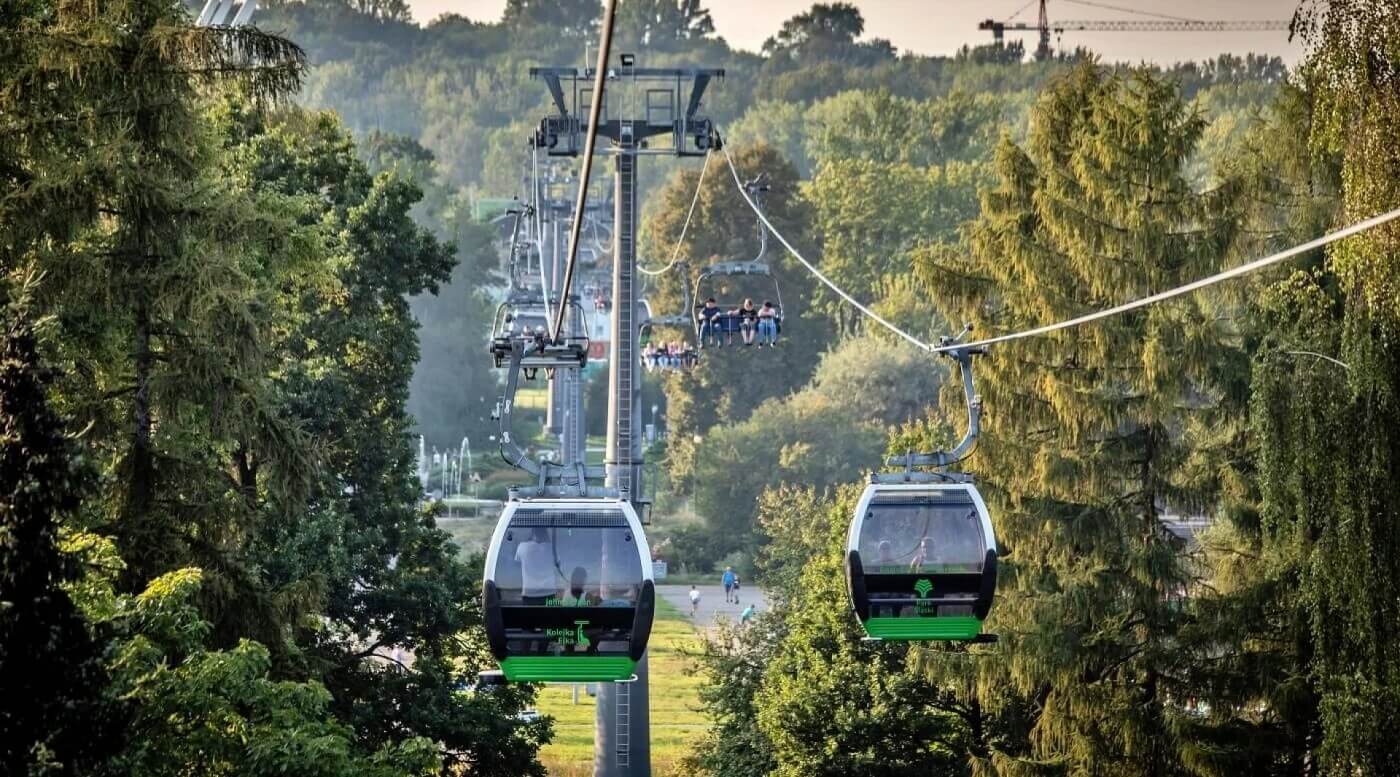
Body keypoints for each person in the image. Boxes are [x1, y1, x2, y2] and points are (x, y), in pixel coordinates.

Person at [516, 527, 557, 605]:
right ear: (545, 533)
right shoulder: (552, 548)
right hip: (549, 593)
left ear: (532, 533)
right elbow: (557, 563)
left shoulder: (522, 547)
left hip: (529, 594)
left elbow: (517, 561)